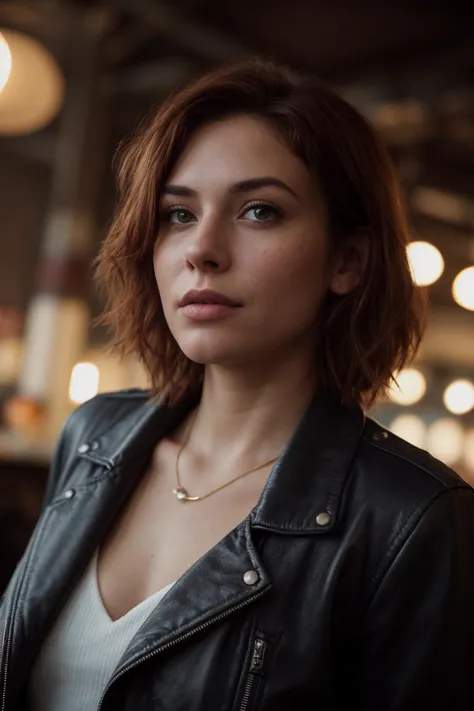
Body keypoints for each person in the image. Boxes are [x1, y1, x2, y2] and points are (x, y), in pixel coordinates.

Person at [1, 59, 473, 711]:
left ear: (348, 260)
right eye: (177, 213)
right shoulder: (94, 435)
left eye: (259, 210)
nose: (203, 248)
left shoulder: (410, 517)